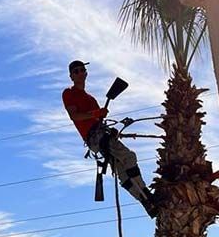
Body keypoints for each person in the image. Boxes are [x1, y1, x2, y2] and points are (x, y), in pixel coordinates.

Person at [62, 59, 157, 217]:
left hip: (100, 135)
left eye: (82, 70)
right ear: (71, 76)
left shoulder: (91, 99)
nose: (80, 73)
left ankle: (146, 203)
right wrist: (96, 113)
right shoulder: (69, 93)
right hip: (95, 137)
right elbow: (75, 116)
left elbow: (97, 120)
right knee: (128, 156)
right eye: (76, 71)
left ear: (86, 73)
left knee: (122, 170)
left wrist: (107, 127)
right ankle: (147, 194)